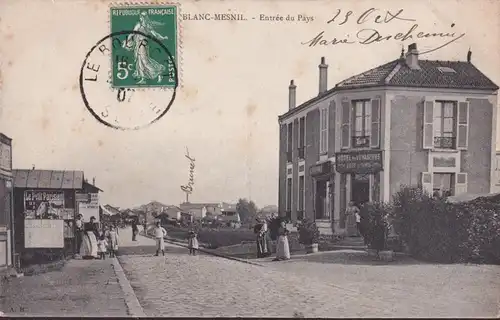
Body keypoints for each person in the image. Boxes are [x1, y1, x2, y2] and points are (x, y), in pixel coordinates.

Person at [123, 11, 169, 84]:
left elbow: (155, 34)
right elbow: (132, 34)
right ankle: (143, 78)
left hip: (142, 45)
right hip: (139, 44)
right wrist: (127, 41)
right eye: (142, 17)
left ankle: (158, 73)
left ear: (142, 17)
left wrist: (162, 37)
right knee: (140, 61)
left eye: (142, 17)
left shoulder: (145, 26)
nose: (142, 18)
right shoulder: (140, 25)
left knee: (144, 61)